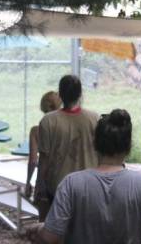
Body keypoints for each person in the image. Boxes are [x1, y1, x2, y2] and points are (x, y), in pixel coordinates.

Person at [26, 109, 141, 244]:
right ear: (129, 146)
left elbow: (50, 237)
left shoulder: (71, 183)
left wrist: (38, 228)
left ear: (95, 144)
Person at [37, 75, 99, 212]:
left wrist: (39, 186)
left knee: (59, 231)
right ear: (80, 93)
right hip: (89, 186)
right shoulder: (94, 118)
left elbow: (44, 159)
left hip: (58, 187)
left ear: (60, 94)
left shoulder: (48, 121)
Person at [25, 91, 62, 220]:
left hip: (45, 182)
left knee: (44, 223)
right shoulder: (67, 127)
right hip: (64, 178)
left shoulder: (36, 131)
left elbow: (33, 161)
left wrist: (28, 182)